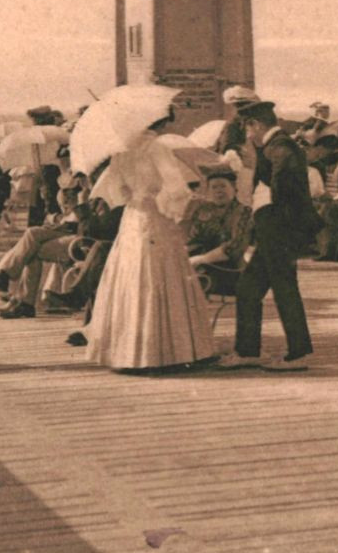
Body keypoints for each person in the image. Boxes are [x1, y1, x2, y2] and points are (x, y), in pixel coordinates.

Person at [81, 113, 217, 372]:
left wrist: (137, 194)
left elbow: (117, 192)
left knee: (132, 278)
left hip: (133, 218)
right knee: (161, 277)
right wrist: (181, 208)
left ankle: (128, 353)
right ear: (161, 123)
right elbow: (176, 191)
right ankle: (165, 353)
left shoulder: (122, 152)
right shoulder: (158, 148)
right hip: (156, 218)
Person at [220, 101, 318, 370]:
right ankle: (248, 350)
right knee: (248, 289)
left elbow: (283, 195)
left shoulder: (281, 148)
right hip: (272, 233)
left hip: (278, 232)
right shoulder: (277, 148)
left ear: (257, 125)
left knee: (285, 290)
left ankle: (298, 354)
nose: (248, 136)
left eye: (249, 128)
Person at [185, 165, 254, 295]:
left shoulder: (244, 212)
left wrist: (201, 259)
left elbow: (234, 248)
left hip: (230, 272)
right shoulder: (203, 211)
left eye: (223, 186)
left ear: (234, 188)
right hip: (202, 268)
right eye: (214, 187)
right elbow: (193, 240)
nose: (218, 191)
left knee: (185, 284)